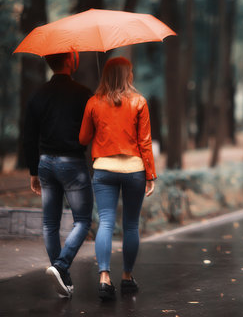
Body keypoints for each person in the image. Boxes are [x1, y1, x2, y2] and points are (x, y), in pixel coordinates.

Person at [79, 57, 156, 300]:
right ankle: (126, 277)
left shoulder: (93, 102)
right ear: (127, 76)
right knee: (131, 225)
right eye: (130, 72)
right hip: (134, 170)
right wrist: (150, 175)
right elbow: (144, 141)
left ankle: (103, 278)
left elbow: (83, 138)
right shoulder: (139, 102)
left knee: (106, 222)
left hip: (104, 170)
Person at [23, 51, 94, 299]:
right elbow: (94, 129)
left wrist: (33, 170)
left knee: (49, 224)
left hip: (45, 163)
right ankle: (61, 266)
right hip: (72, 162)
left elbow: (29, 137)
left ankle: (61, 277)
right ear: (70, 61)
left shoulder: (37, 95)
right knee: (83, 220)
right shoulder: (84, 93)